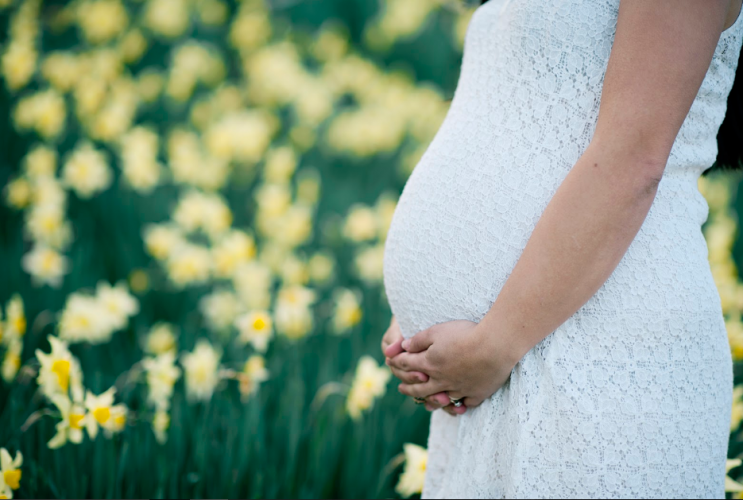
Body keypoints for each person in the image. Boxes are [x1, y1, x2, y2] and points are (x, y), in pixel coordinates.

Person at [381, 0, 743, 497]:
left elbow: (632, 157)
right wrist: (424, 310)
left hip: (601, 361)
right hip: (495, 368)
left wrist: (496, 342)